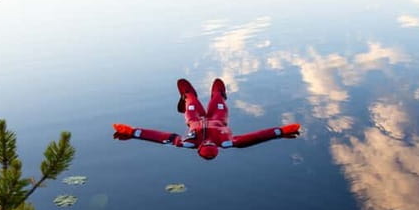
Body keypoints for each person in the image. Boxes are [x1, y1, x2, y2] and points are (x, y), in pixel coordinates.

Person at [113, 78, 301, 160]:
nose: (210, 141)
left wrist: (134, 132)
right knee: (218, 101)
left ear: (200, 149)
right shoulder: (227, 142)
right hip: (218, 118)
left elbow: (161, 137)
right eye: (211, 144)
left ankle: (188, 95)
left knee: (191, 102)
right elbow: (256, 137)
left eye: (207, 144)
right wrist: (280, 131)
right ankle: (217, 93)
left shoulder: (188, 142)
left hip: (194, 119)